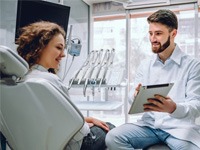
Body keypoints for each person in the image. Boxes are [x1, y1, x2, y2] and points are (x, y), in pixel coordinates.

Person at [105, 9, 200, 150]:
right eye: (151, 33)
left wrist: (174, 108)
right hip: (149, 126)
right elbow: (132, 96)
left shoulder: (193, 65)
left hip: (178, 128)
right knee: (113, 138)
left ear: (173, 34)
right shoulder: (145, 65)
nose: (153, 39)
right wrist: (136, 95)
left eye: (158, 34)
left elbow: (196, 105)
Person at [16, 21, 115, 150]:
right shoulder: (49, 81)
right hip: (72, 144)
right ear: (39, 47)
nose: (63, 54)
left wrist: (86, 119)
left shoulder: (21, 79)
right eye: (58, 47)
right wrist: (84, 125)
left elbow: (51, 118)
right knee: (112, 129)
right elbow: (80, 131)